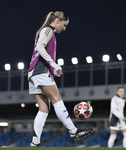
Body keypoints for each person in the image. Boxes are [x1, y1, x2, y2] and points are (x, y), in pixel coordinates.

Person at [28, 11, 93, 147]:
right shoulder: (48, 30)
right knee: (57, 99)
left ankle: (35, 142)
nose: (64, 28)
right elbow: (40, 47)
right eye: (64, 25)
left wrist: (53, 69)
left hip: (34, 72)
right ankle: (73, 131)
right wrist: (53, 64)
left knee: (44, 108)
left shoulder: (46, 30)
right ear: (57, 20)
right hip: (40, 71)